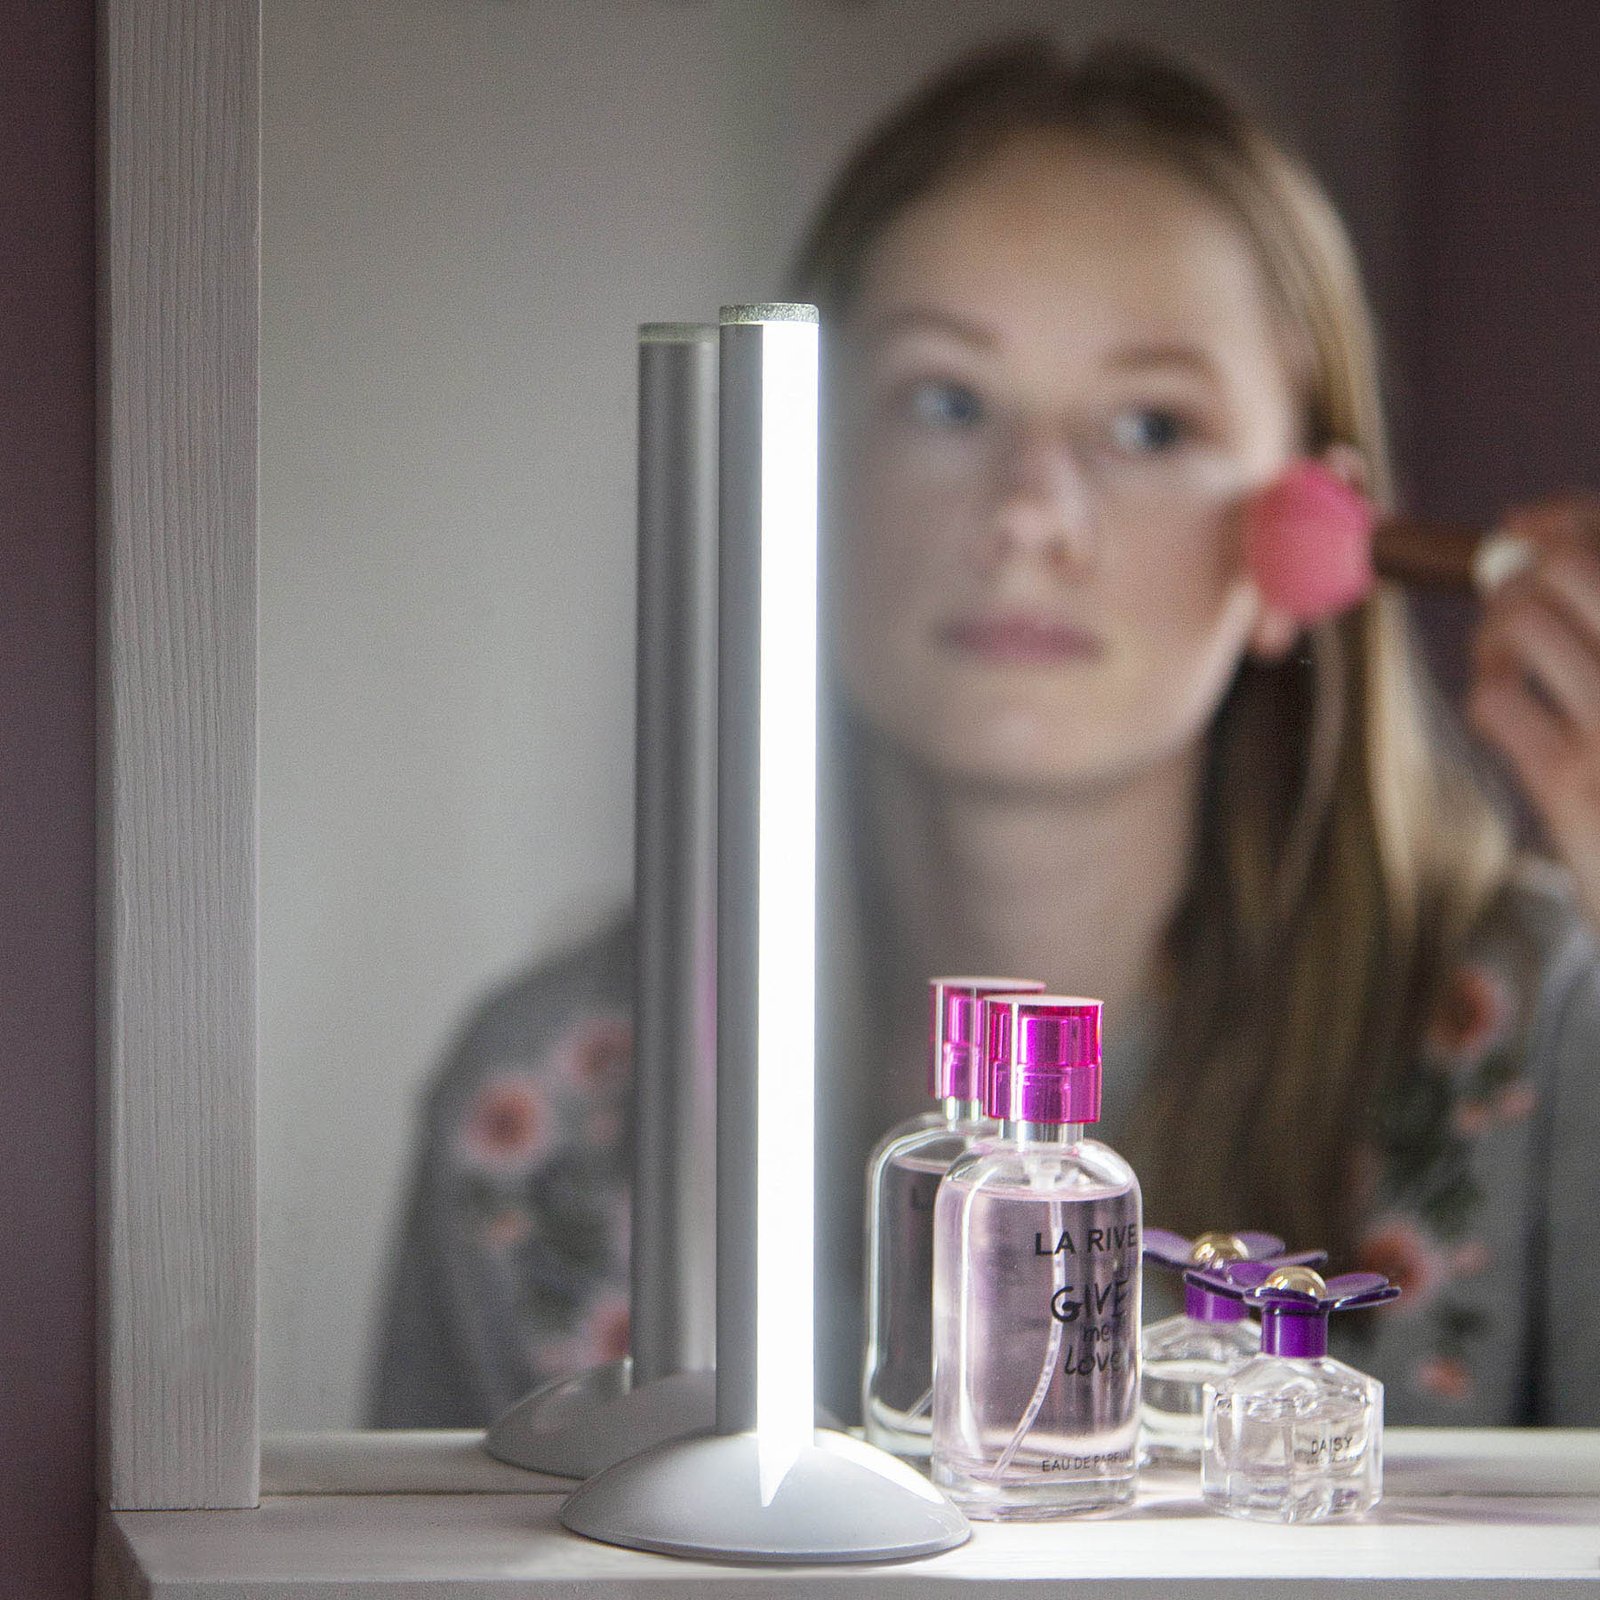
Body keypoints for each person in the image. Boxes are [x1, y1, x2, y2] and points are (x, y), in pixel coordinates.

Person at [371, 36, 1600, 1431]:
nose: (1030, 512)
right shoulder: (547, 1119)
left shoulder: (1535, 1037)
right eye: (948, 401)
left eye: (1147, 424)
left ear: (1303, 541)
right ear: (803, 473)